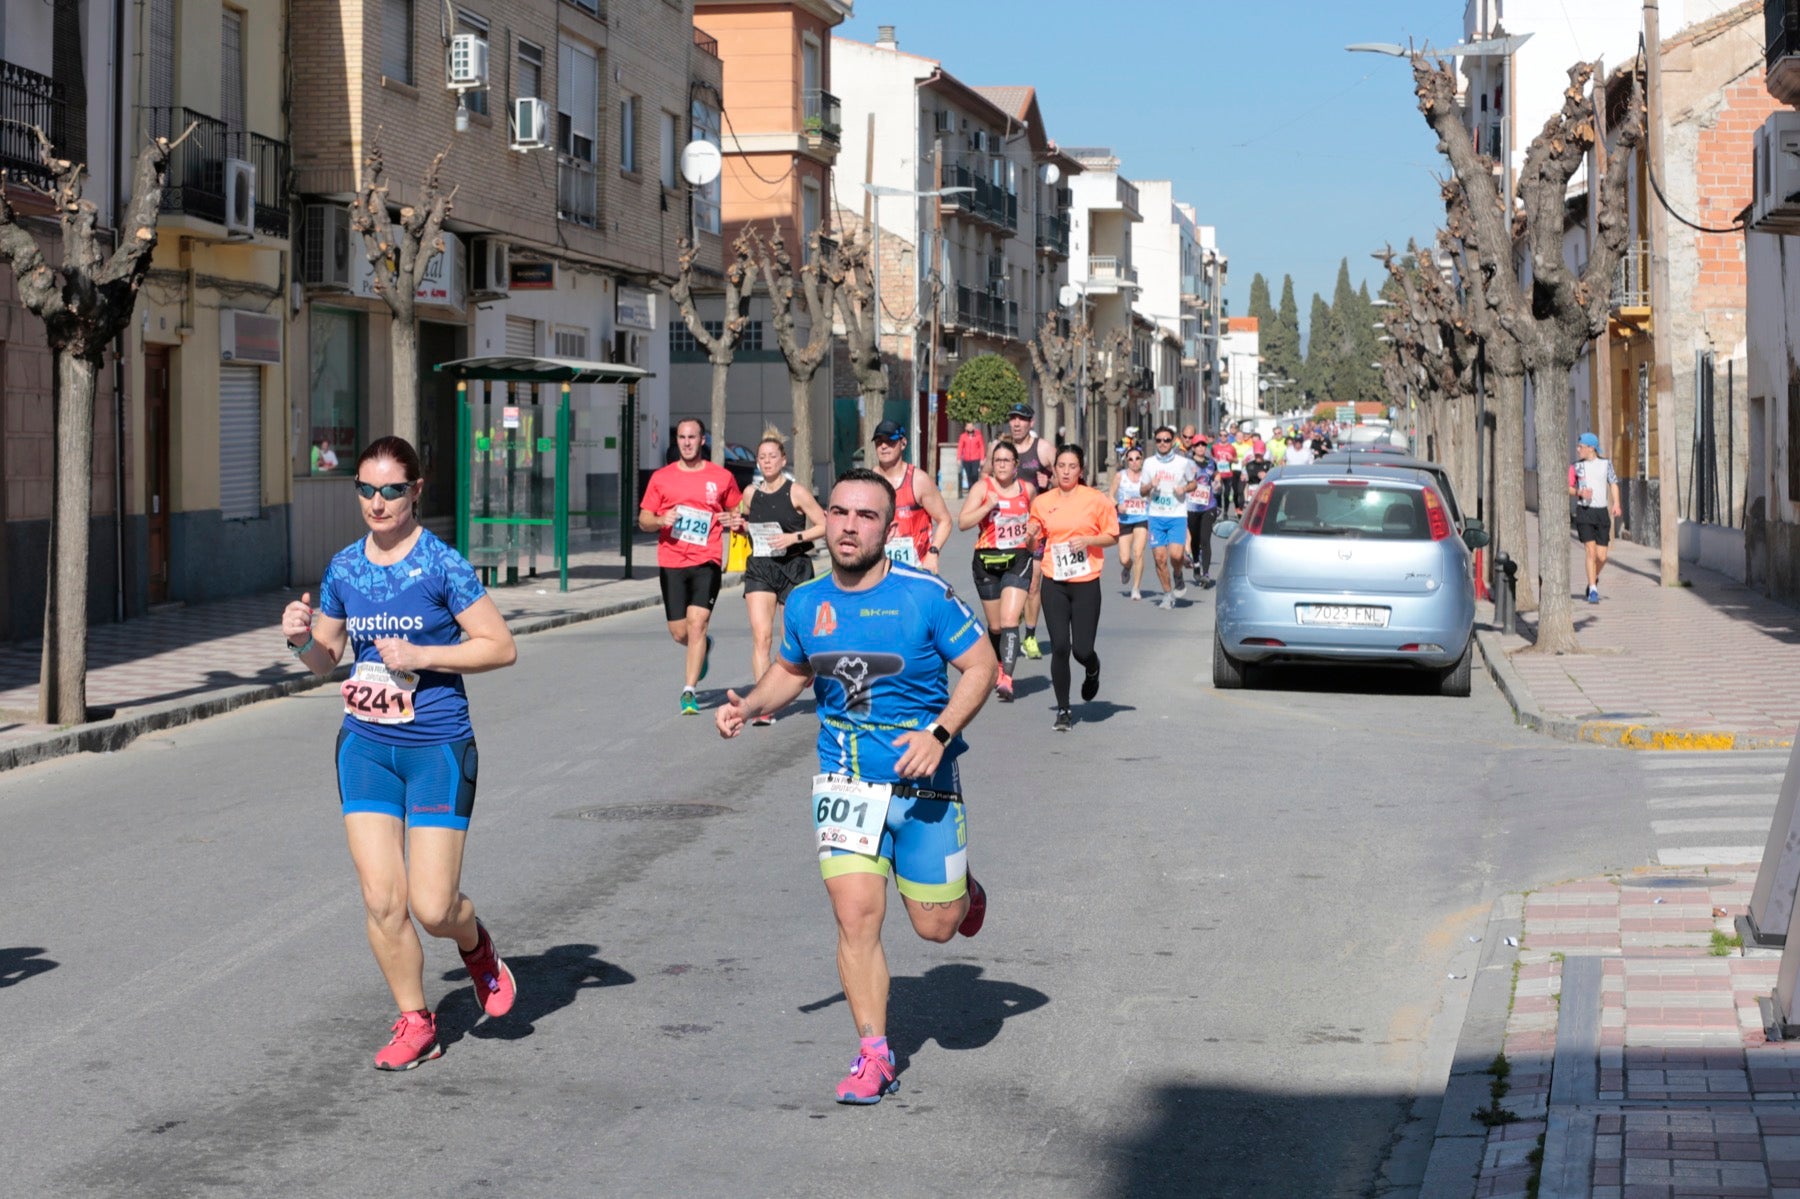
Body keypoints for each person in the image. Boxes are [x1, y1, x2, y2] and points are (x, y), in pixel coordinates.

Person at [714, 467, 998, 1105]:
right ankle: (874, 1053)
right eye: (840, 512)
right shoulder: (806, 600)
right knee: (855, 917)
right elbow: (791, 671)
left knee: (938, 927)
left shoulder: (925, 595)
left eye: (866, 516)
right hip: (846, 784)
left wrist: (941, 733)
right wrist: (751, 704)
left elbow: (982, 665)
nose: (848, 525)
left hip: (925, 782)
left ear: (889, 527)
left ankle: (963, 888)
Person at [279, 436, 519, 1071]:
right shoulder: (345, 569)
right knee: (383, 899)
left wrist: (423, 655)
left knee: (433, 906)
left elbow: (499, 646)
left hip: (436, 744)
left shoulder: (442, 565)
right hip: (365, 746)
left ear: (416, 491)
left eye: (390, 490)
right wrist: (300, 640)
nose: (377, 503)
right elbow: (325, 661)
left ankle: (477, 949)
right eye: (365, 490)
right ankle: (416, 1020)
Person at [640, 417, 744, 714]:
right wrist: (661, 520)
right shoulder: (661, 478)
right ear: (678, 441)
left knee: (697, 624)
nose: (687, 442)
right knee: (680, 632)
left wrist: (732, 519)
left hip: (706, 560)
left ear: (702, 441)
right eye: (682, 437)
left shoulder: (721, 477)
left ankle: (688, 692)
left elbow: (737, 510)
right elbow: (644, 519)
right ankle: (703, 647)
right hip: (671, 560)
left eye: (692, 437)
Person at [1027, 445, 1120, 732]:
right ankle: (1064, 710)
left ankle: (1092, 668)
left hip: (1085, 581)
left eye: (1072, 466)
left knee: (1081, 649)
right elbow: (1034, 541)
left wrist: (1089, 541)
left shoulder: (1096, 500)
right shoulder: (1042, 502)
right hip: (1054, 580)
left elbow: (1113, 536)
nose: (1066, 472)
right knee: (1059, 648)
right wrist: (1031, 536)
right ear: (1053, 468)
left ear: (1081, 470)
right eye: (1061, 466)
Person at [739, 433, 827, 724]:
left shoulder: (796, 491)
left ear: (783, 459)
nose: (767, 461)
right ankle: (764, 706)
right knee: (760, 637)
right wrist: (738, 525)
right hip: (761, 567)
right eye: (762, 457)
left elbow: (824, 524)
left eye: (772, 456)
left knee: (791, 637)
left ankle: (806, 669)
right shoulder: (750, 494)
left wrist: (793, 537)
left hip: (794, 566)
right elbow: (747, 523)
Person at [958, 440, 1037, 699]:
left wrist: (1034, 534)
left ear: (1016, 465)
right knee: (995, 627)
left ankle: (1007, 678)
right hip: (987, 561)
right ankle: (999, 665)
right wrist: (986, 506)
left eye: (1007, 460)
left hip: (1018, 559)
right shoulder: (983, 488)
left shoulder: (1028, 489)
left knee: (1009, 620)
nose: (1001, 464)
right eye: (997, 460)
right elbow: (963, 523)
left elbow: (1036, 523)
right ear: (992, 464)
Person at [1000, 402, 1055, 658]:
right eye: (1013, 418)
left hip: (1035, 527)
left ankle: (1030, 637)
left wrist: (1050, 481)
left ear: (1031, 422)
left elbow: (1068, 478)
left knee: (1033, 583)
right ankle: (1011, 620)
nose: (1017, 423)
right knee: (1006, 582)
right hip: (1005, 528)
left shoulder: (1042, 449)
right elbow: (986, 478)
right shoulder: (1001, 449)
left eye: (1022, 419)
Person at [869, 420, 953, 574]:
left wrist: (933, 552)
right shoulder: (869, 481)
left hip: (916, 569)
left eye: (890, 441)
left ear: (903, 443)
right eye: (879, 441)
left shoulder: (918, 480)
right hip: (879, 572)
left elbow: (945, 520)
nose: (883, 446)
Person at [1140, 426, 1197, 609]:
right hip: (1156, 516)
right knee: (1159, 558)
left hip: (1177, 515)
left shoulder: (1182, 462)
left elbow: (1194, 483)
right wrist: (1150, 485)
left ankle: (1178, 573)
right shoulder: (1149, 463)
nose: (1162, 443)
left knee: (1176, 554)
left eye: (1166, 440)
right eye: (1159, 440)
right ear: (1155, 442)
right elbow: (1141, 491)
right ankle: (1167, 594)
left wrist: (1184, 489)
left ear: (1172, 441)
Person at [1569, 431, 1622, 603]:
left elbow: (1613, 484)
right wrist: (1579, 492)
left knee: (1602, 556)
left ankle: (1593, 578)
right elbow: (1567, 487)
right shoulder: (1575, 467)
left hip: (1601, 513)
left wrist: (1616, 504)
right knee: (1590, 553)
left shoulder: (1606, 464)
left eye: (1581, 447)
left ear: (1591, 448)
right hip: (1585, 512)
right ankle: (1592, 589)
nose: (1578, 450)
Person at [1112, 444, 1150, 600]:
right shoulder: (1120, 476)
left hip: (1142, 518)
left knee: (1138, 552)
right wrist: (1117, 505)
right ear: (1127, 461)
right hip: (1125, 519)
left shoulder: (1147, 477)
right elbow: (1110, 495)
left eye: (1137, 458)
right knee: (1124, 558)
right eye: (1131, 459)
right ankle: (1127, 567)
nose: (1134, 462)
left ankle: (1136, 588)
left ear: (1142, 460)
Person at [1186, 435, 1221, 587]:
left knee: (1205, 539)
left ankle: (1206, 573)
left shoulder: (1211, 462)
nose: (1201, 447)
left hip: (1208, 505)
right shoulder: (1187, 463)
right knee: (1195, 540)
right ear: (1193, 447)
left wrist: (1218, 482)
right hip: (1192, 507)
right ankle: (1196, 565)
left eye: (1203, 445)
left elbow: (1216, 474)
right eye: (1197, 445)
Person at [1212, 433, 1240, 518]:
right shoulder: (1215, 447)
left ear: (1228, 437)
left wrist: (1232, 459)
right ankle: (1219, 509)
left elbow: (1236, 460)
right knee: (1217, 493)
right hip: (1218, 474)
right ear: (1219, 437)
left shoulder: (1231, 448)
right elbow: (1211, 457)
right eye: (1221, 435)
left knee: (1227, 494)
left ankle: (1226, 511)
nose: (1223, 437)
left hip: (1228, 474)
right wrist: (1214, 459)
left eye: (1225, 435)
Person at [956, 422, 986, 493]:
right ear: (966, 428)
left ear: (973, 427)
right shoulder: (963, 436)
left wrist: (982, 459)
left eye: (971, 426)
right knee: (969, 475)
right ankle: (971, 490)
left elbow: (981, 447)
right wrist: (959, 458)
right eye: (968, 426)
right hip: (966, 459)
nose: (970, 427)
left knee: (974, 474)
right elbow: (960, 447)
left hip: (976, 459)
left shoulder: (978, 436)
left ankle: (975, 488)